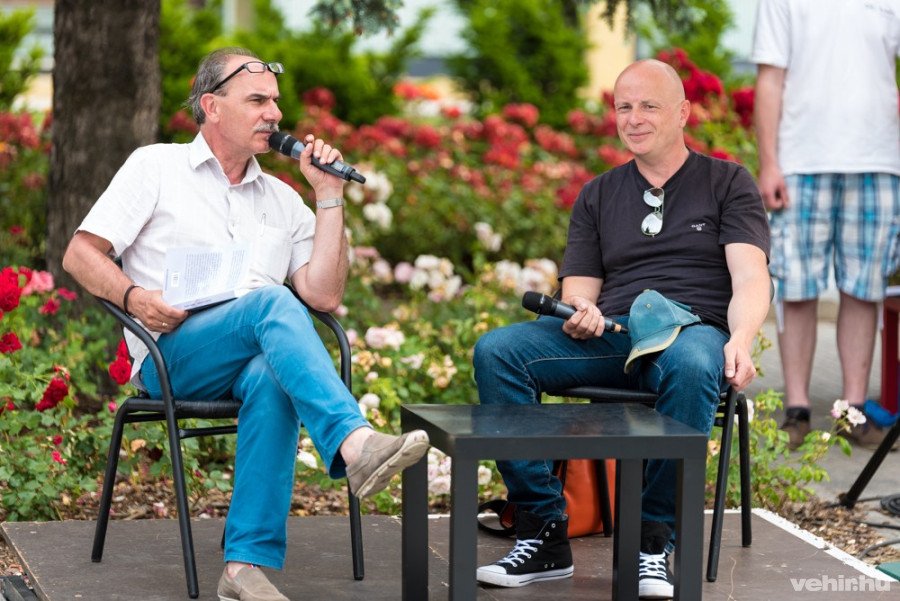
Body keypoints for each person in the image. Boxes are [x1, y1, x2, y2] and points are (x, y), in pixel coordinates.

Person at [62, 47, 429, 601]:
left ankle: (242, 568)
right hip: (171, 355)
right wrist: (134, 298)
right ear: (212, 106)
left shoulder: (282, 198)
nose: (275, 114)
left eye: (275, 102)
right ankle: (355, 444)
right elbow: (80, 254)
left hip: (247, 358)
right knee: (272, 303)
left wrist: (329, 197)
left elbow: (324, 294)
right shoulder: (155, 167)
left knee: (273, 375)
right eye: (257, 100)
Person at [472, 59, 770, 599]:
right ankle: (543, 529)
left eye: (648, 106)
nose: (633, 118)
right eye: (623, 107)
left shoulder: (727, 182)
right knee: (498, 351)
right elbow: (580, 287)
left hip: (691, 331)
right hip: (615, 333)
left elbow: (751, 276)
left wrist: (741, 341)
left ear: (683, 112)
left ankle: (651, 542)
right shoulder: (599, 193)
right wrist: (580, 310)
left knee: (694, 363)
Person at [752, 0, 900, 451]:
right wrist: (769, 164)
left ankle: (851, 412)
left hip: (878, 161)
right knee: (797, 289)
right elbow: (769, 80)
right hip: (800, 161)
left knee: (863, 290)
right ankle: (797, 409)